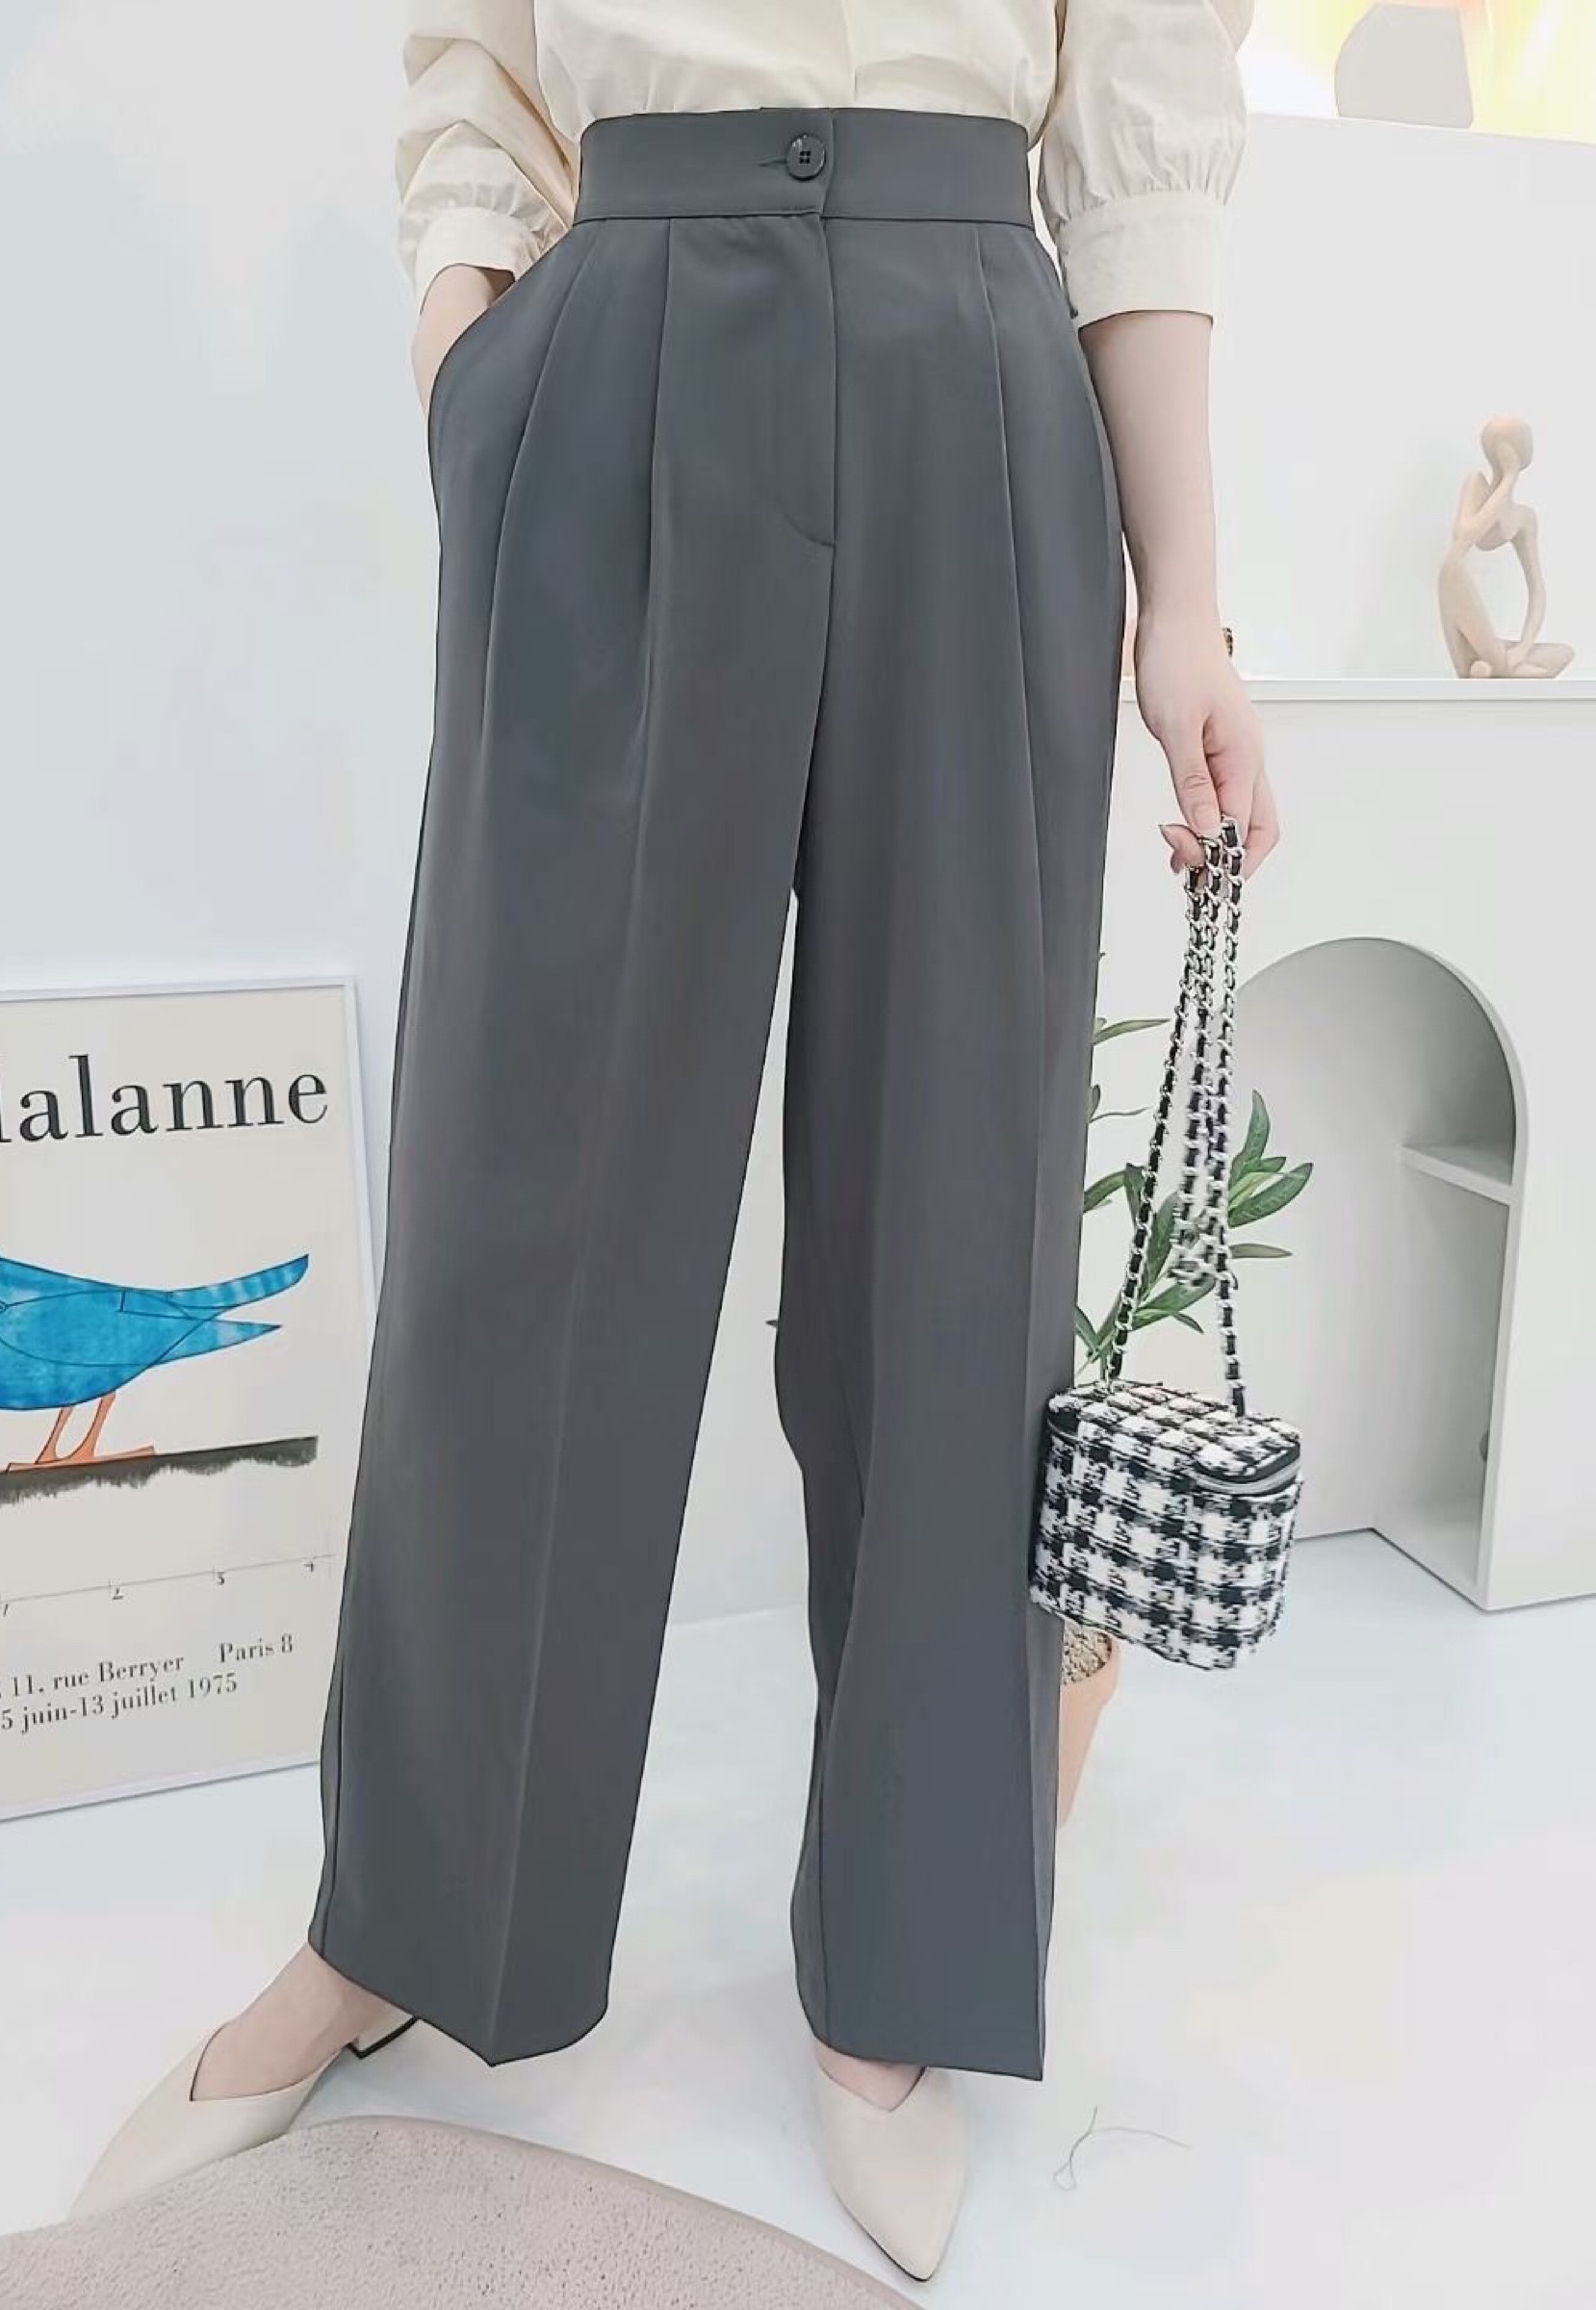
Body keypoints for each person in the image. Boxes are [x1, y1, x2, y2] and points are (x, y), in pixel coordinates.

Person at [76, 0, 1278, 2279]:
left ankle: (897, 1977)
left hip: (971, 361)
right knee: (514, 1211)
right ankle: (401, 1922)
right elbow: (470, 58)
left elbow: (1139, 118)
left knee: (954, 1233)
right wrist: (472, 354)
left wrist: (1186, 604)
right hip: (615, 349)